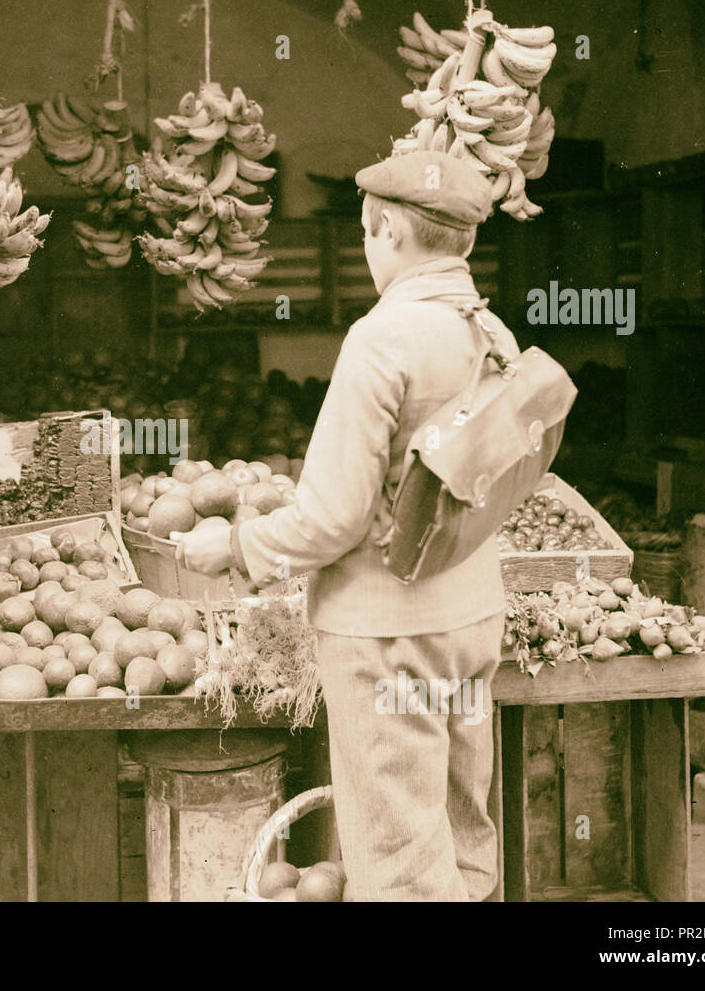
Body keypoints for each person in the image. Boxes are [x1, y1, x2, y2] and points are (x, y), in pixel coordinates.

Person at [174, 151, 518, 901]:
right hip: (470, 624)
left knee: (397, 856)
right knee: (462, 838)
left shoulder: (381, 339)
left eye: (368, 234)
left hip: (389, 636)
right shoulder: (491, 333)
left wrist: (233, 544)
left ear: (387, 227)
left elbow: (333, 517)